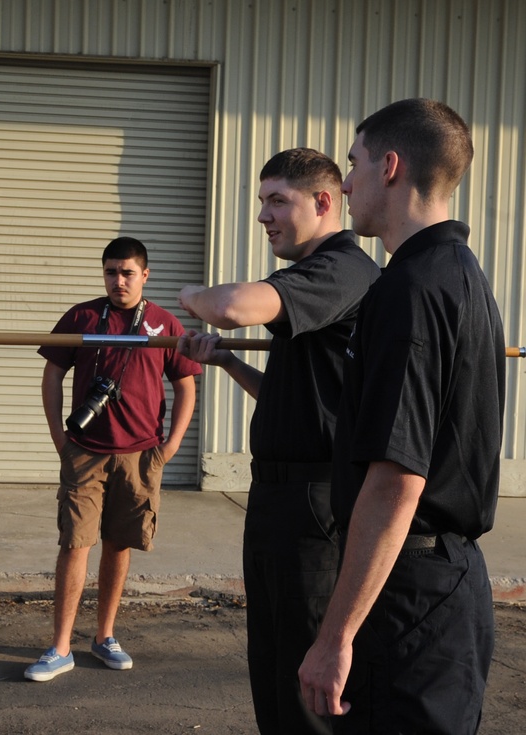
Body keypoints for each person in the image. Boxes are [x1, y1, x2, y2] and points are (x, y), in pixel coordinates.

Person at [297, 99, 505, 733]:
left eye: (354, 164)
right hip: (441, 581)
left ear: (390, 167)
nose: (347, 181)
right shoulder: (460, 274)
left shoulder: (409, 292)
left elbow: (397, 479)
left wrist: (335, 637)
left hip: (410, 595)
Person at [175, 149, 381, 734]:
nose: (264, 216)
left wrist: (191, 295)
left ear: (323, 202)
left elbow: (232, 306)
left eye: (277, 201)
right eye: (261, 202)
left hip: (316, 503)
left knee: (305, 678)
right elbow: (303, 400)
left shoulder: (339, 270)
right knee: (273, 668)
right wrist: (229, 365)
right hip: (278, 499)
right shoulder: (313, 290)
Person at [25, 236, 200, 682]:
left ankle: (104, 637)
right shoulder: (83, 316)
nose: (118, 280)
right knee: (74, 542)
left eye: (127, 273)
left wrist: (173, 444)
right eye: (110, 272)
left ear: (145, 274)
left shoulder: (163, 323)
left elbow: (185, 384)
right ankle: (60, 647)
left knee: (119, 543)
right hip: (85, 452)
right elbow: (51, 374)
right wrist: (58, 437)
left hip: (141, 455)